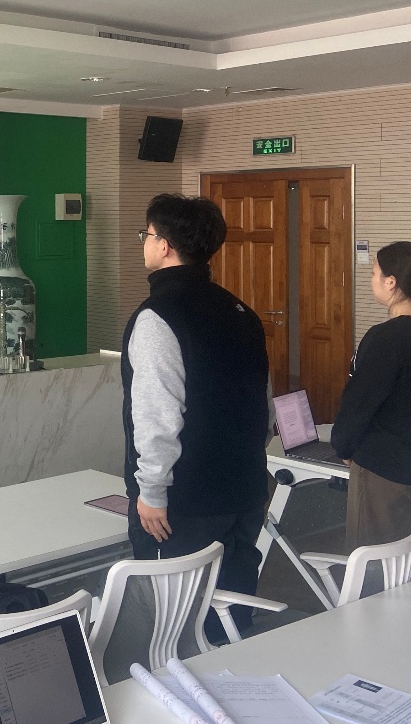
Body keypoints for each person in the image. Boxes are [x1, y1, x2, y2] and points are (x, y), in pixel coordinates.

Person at [121, 194, 270, 638]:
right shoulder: (241, 312)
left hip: (184, 502)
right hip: (245, 489)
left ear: (164, 246)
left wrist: (151, 490)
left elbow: (157, 414)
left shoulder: (158, 317)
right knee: (232, 610)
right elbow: (261, 404)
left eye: (146, 235)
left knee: (176, 625)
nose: (144, 243)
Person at [332, 241, 411, 550]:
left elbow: (358, 403)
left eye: (374, 273)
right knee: (408, 558)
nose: (371, 279)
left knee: (375, 562)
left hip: (385, 470)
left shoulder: (385, 337)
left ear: (391, 282)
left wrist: (343, 446)